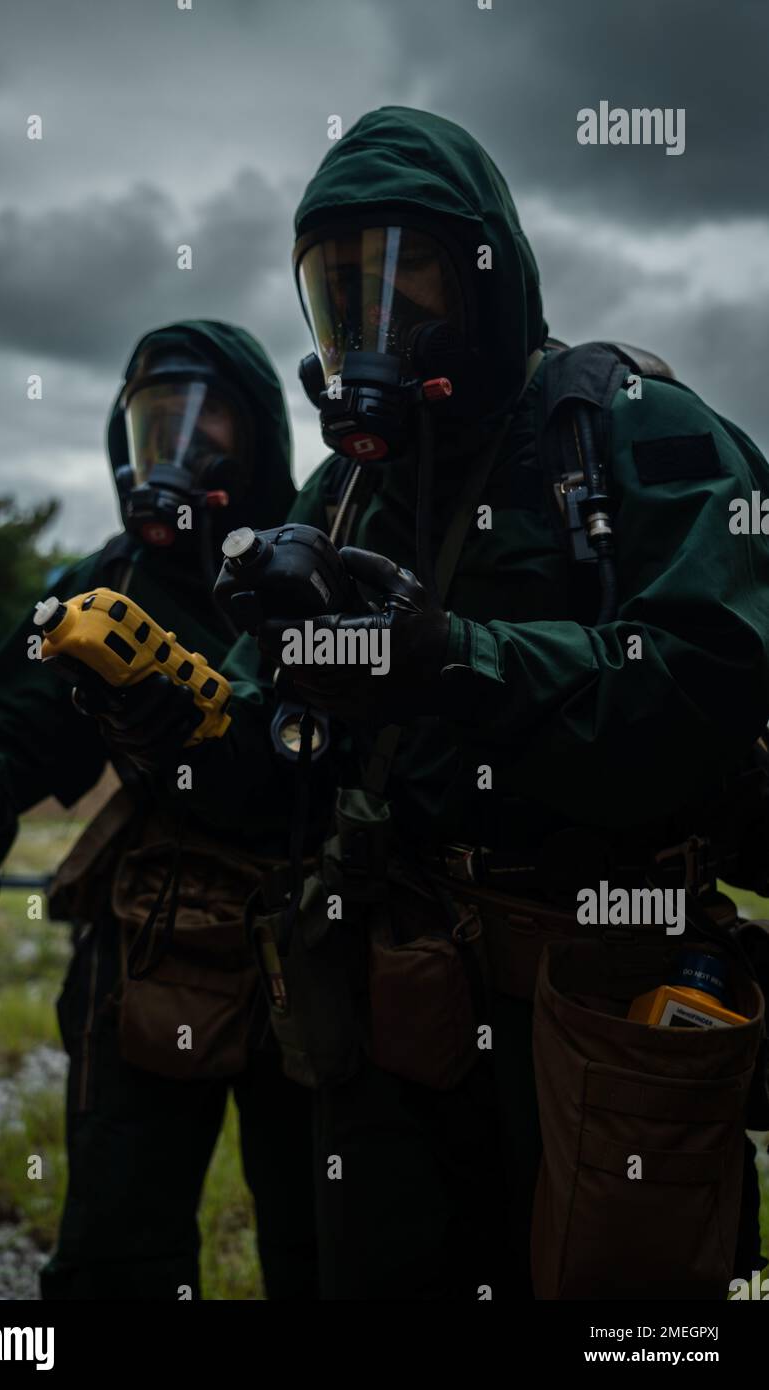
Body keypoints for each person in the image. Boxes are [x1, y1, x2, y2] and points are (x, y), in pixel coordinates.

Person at [129, 108, 769, 1300]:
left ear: (487, 278)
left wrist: (450, 659)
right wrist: (181, 720)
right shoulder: (337, 497)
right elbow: (282, 768)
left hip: (600, 997)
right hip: (390, 1005)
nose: (370, 327)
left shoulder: (639, 434)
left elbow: (706, 682)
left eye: (403, 279)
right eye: (339, 291)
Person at [0, 319, 318, 1300]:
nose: (178, 444)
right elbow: (5, 728)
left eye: (207, 415)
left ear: (257, 432)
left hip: (318, 934)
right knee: (117, 1246)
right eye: (155, 418)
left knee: (330, 1240)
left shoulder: (320, 562)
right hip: (154, 934)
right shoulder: (104, 586)